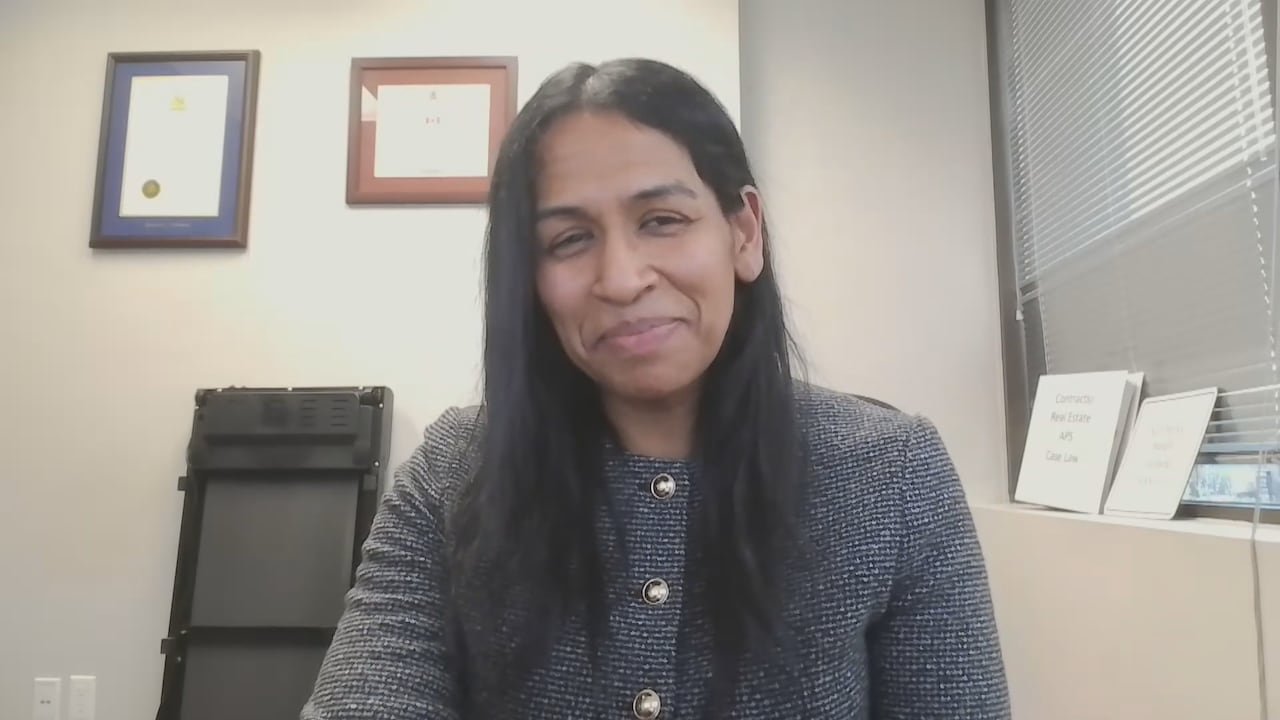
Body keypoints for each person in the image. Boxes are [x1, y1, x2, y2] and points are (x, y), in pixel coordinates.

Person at [302, 58, 1010, 719]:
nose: (621, 278)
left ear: (744, 234)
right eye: (568, 241)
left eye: (662, 221)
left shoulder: (893, 474)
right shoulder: (454, 471)